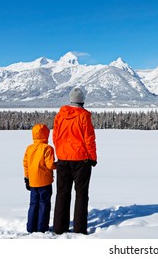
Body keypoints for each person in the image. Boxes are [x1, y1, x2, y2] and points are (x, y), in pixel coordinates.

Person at [52, 87, 97, 235]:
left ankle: (59, 228)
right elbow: (89, 138)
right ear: (82, 100)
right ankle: (79, 229)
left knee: (62, 193)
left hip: (63, 159)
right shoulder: (84, 116)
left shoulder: (60, 115)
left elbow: (56, 137)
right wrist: (92, 157)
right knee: (81, 195)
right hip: (81, 160)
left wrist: (60, 153)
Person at [23, 124, 56, 233]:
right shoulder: (47, 148)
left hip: (32, 181)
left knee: (33, 204)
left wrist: (27, 178)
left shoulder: (29, 148)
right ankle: (42, 228)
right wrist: (58, 165)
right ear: (46, 134)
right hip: (45, 182)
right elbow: (50, 165)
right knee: (44, 205)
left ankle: (31, 227)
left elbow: (26, 164)